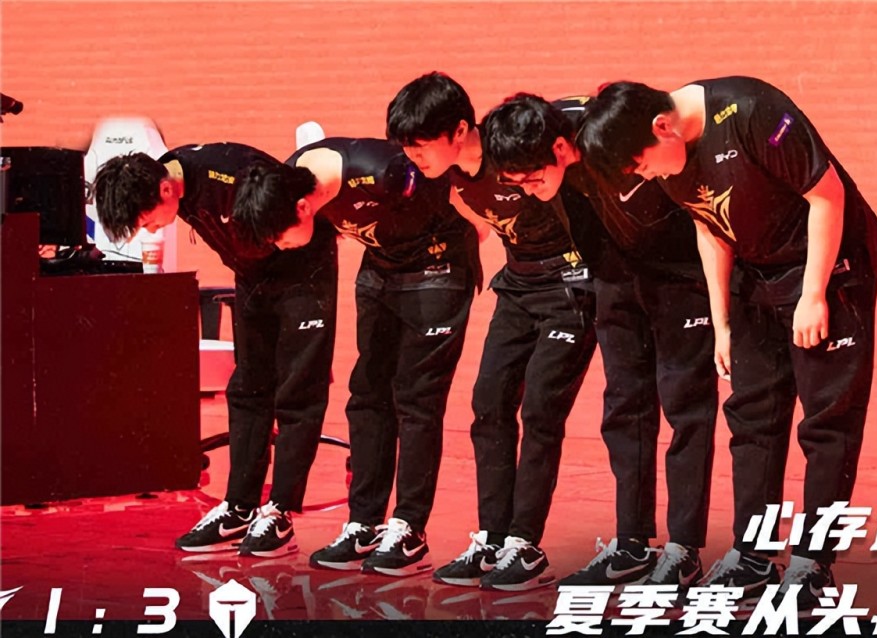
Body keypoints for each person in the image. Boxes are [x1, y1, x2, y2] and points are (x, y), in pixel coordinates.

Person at [576, 76, 877, 611]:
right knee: (752, 414)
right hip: (756, 272)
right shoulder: (670, 155)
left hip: (829, 265)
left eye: (644, 166)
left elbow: (826, 195)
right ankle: (753, 555)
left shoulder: (752, 113)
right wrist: (721, 322)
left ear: (663, 127)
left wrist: (814, 294)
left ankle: (814, 565)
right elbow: (710, 228)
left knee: (826, 421)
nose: (649, 177)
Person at [481, 93, 719, 588]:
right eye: (517, 183)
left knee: (685, 405)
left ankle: (683, 548)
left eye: (532, 178)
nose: (528, 190)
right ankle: (632, 543)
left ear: (561, 149)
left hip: (680, 275)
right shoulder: (547, 153)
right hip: (614, 276)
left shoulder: (609, 136)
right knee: (624, 407)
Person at [385, 72, 598, 591]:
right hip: (518, 285)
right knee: (488, 404)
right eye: (406, 146)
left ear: (460, 130)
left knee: (541, 409)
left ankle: (525, 546)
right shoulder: (448, 178)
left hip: (570, 286)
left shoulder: (513, 149)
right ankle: (493, 539)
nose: (413, 156)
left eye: (420, 144)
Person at [232, 136, 481, 577]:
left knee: (416, 399)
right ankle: (363, 524)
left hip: (437, 272)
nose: (280, 247)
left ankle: (409, 529)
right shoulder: (289, 178)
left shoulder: (385, 172)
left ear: (303, 209)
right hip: (379, 275)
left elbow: (460, 197)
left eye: (279, 239)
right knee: (366, 397)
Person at [94, 143, 338, 558]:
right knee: (247, 390)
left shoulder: (229, 173)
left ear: (166, 190)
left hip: (302, 270)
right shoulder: (168, 178)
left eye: (147, 221)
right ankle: (239, 508)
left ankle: (279, 513)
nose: (151, 230)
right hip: (253, 276)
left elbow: (303, 204)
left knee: (297, 392)